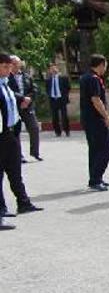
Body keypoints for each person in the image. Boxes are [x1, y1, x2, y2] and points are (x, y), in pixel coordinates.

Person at [0, 53, 43, 217]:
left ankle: (23, 202)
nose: (9, 70)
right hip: (1, 134)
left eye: (9, 67)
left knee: (15, 170)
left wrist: (22, 98)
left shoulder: (5, 83)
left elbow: (11, 96)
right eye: (5, 66)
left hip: (11, 133)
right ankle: (1, 209)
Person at [80, 54, 109, 191]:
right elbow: (96, 100)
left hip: (88, 118)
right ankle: (96, 178)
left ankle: (95, 178)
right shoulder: (94, 79)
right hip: (96, 119)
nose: (105, 69)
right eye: (105, 65)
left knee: (95, 149)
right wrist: (106, 117)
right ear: (101, 65)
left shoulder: (85, 77)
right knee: (106, 148)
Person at [8, 56, 41, 162]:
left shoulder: (26, 76)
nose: (17, 66)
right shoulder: (6, 77)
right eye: (14, 63)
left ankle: (35, 153)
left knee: (34, 128)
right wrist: (22, 99)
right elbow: (8, 92)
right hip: (15, 107)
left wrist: (28, 99)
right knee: (15, 132)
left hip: (27, 106)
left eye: (18, 63)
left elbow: (34, 89)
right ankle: (19, 155)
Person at [45, 63, 71, 137]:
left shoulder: (63, 78)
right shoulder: (48, 80)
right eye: (51, 69)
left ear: (57, 69)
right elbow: (47, 89)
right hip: (53, 99)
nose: (53, 70)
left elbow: (68, 87)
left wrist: (65, 95)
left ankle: (67, 130)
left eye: (54, 68)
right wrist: (51, 95)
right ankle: (57, 132)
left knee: (64, 116)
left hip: (61, 99)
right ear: (50, 70)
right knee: (54, 117)